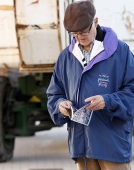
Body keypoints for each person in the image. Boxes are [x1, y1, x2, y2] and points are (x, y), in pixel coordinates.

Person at [46, 1, 134, 170]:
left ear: (96, 21)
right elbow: (54, 95)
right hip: (81, 148)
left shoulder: (121, 52)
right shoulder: (65, 58)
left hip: (111, 145)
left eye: (84, 31)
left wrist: (108, 101)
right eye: (74, 33)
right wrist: (61, 105)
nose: (80, 37)